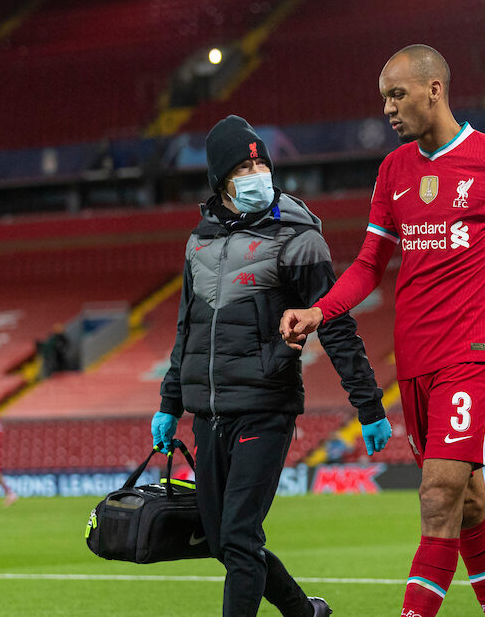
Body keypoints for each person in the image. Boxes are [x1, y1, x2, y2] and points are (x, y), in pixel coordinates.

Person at [279, 44, 485, 617]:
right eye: (383, 98)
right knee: (467, 507)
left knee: (437, 497)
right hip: (413, 363)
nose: (387, 109)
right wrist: (319, 311)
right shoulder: (392, 171)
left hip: (472, 351)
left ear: (435, 90)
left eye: (397, 94)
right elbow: (368, 266)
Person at [151, 115, 392, 617]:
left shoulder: (298, 235)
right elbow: (186, 329)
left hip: (266, 404)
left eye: (259, 160)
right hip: (209, 413)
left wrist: (368, 405)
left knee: (238, 538)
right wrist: (169, 404)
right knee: (223, 541)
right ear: (221, 179)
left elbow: (336, 321)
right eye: (243, 164)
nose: (256, 170)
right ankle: (306, 614)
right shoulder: (198, 243)